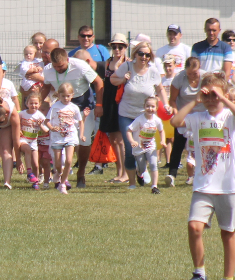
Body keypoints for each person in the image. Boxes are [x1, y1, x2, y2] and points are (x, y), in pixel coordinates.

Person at [171, 73, 235, 280]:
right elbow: (176, 122)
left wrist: (223, 99)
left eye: (215, 95)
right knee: (194, 227)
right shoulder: (197, 117)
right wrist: (195, 100)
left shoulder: (229, 117)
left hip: (227, 186)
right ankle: (199, 275)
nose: (211, 99)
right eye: (207, 95)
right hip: (203, 185)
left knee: (228, 233)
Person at [38, 43, 103, 188]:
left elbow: (98, 82)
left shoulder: (80, 66)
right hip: (61, 106)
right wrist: (40, 103)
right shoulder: (48, 70)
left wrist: (99, 105)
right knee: (60, 141)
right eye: (55, 67)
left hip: (82, 104)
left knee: (83, 140)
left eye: (61, 66)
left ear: (67, 60)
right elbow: (46, 87)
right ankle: (60, 175)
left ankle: (81, 173)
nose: (58, 69)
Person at [110, 41, 167, 188]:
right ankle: (132, 182)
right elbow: (112, 79)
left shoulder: (153, 71)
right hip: (126, 114)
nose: (144, 57)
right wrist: (123, 79)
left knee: (145, 146)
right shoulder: (127, 66)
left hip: (145, 116)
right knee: (130, 147)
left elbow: (160, 89)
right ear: (135, 54)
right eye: (141, 53)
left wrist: (166, 104)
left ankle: (142, 170)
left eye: (147, 54)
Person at [169, 57, 207, 185]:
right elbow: (172, 100)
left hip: (202, 116)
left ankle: (202, 174)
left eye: (195, 73)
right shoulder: (179, 78)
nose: (191, 76)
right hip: (184, 116)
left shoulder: (206, 78)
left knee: (202, 146)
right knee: (178, 146)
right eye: (189, 73)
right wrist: (176, 114)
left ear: (199, 69)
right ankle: (172, 175)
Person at [99, 34, 129, 183]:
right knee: (113, 138)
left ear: (125, 48)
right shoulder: (108, 62)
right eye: (114, 46)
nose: (117, 49)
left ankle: (125, 173)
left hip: (120, 101)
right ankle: (119, 172)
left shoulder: (128, 63)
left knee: (120, 139)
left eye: (120, 46)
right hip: (108, 101)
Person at [47, 83, 83, 194]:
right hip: (57, 138)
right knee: (58, 164)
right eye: (63, 96)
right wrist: (52, 128)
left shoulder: (74, 107)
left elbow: (80, 122)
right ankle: (58, 173)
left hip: (70, 137)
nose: (66, 98)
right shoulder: (55, 106)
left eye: (68, 96)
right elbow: (47, 121)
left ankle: (63, 184)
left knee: (68, 160)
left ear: (72, 95)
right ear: (59, 95)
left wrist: (81, 134)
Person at [125, 96, 166, 193]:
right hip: (138, 147)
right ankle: (139, 173)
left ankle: (154, 186)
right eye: (148, 106)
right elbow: (128, 131)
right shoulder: (139, 120)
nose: (150, 109)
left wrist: (163, 141)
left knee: (153, 164)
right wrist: (132, 141)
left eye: (152, 106)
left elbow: (161, 131)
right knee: (142, 168)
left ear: (156, 108)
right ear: (144, 107)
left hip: (151, 147)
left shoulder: (157, 120)